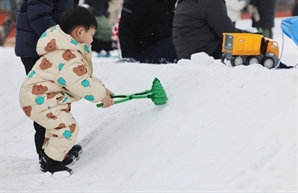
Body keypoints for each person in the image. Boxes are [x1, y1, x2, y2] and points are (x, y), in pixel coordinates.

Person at [19, 6, 114, 175]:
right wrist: (101, 96)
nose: (92, 40)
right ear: (79, 32)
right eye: (91, 35)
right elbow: (80, 83)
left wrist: (103, 89)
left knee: (56, 128)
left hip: (43, 97)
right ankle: (50, 162)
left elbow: (83, 76)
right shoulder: (66, 55)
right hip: (39, 99)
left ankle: (57, 154)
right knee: (67, 128)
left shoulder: (67, 50)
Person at [14, 0, 83, 168]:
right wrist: (64, 41)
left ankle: (59, 148)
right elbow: (38, 16)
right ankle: (47, 156)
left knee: (60, 100)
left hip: (53, 48)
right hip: (38, 49)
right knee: (45, 104)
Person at [173, 0, 247, 60]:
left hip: (186, 54)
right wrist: (253, 36)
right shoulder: (211, 2)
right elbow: (229, 34)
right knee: (251, 53)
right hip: (207, 53)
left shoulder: (184, 2)